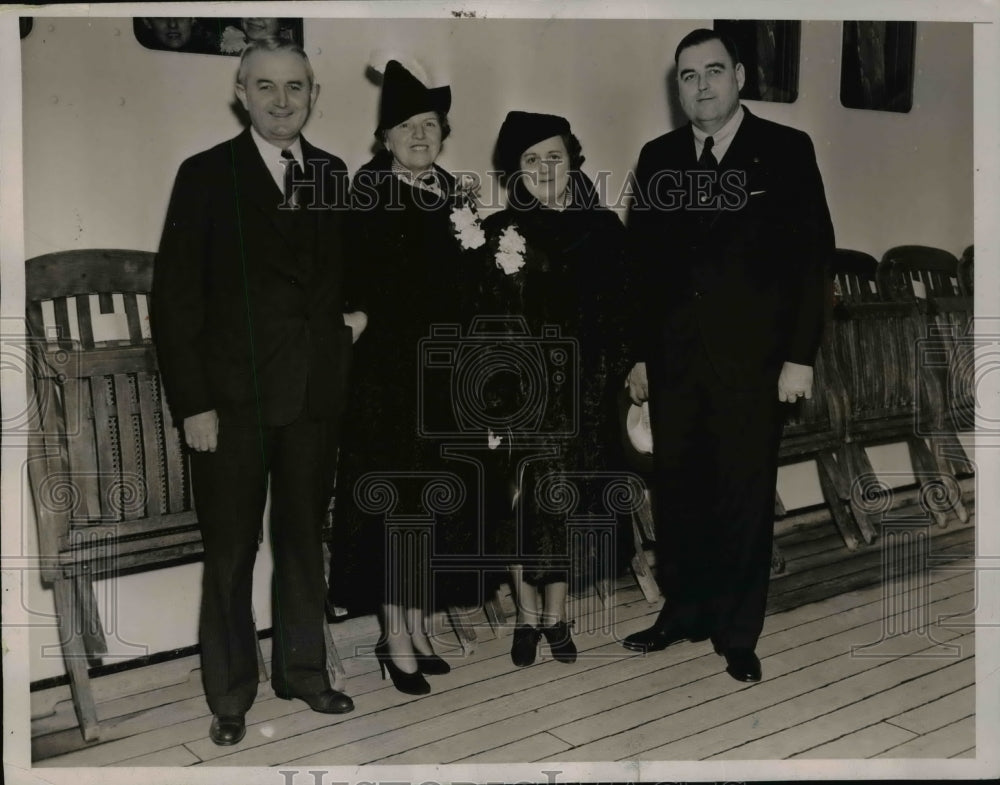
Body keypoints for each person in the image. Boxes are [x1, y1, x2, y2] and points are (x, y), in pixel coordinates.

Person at [152, 38, 358, 746]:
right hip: (231, 406)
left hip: (310, 400)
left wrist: (353, 326)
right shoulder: (206, 175)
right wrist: (194, 404)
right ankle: (231, 692)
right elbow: (175, 303)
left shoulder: (333, 174)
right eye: (265, 87)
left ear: (313, 94)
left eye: (294, 88)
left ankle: (304, 671)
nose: (280, 101)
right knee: (231, 550)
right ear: (242, 93)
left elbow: (349, 274)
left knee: (304, 541)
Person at [622, 29, 834, 683]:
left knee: (743, 496)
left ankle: (738, 632)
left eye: (714, 71)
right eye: (688, 76)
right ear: (677, 87)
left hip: (756, 363)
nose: (703, 85)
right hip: (675, 362)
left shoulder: (786, 151)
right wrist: (639, 358)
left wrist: (800, 357)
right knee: (679, 493)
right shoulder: (657, 158)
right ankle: (683, 611)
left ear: (739, 76)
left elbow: (814, 262)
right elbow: (640, 271)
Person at [329, 59, 483, 695]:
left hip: (443, 372)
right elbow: (358, 287)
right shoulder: (364, 194)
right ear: (384, 137)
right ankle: (394, 636)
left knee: (435, 500)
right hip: (386, 377)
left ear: (442, 133)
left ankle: (418, 625)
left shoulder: (455, 191)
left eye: (430, 124)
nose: (420, 134)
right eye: (405, 125)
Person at [478, 111, 632, 667]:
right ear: (514, 171)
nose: (545, 168)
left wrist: (617, 372)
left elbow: (622, 313)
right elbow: (485, 321)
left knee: (565, 500)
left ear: (573, 160)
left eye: (555, 156)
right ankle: (524, 617)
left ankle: (557, 617)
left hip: (584, 390)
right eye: (531, 159)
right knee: (518, 502)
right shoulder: (497, 230)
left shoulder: (604, 228)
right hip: (518, 390)